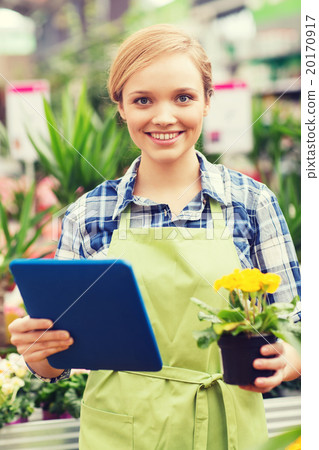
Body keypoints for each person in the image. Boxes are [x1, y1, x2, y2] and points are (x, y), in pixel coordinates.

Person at [9, 24, 301, 449]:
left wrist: (291, 358)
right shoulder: (88, 215)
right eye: (143, 100)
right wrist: (43, 355)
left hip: (226, 426)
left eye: (183, 97)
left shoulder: (252, 203)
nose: (164, 116)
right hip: (120, 433)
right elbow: (62, 356)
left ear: (206, 103)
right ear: (122, 107)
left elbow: (297, 321)